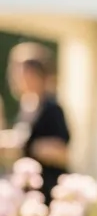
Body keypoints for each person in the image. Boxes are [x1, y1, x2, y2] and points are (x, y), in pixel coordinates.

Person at [6, 48, 70, 202]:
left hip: (48, 191)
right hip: (28, 192)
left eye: (22, 73)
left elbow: (62, 152)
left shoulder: (52, 108)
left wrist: (23, 146)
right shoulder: (26, 106)